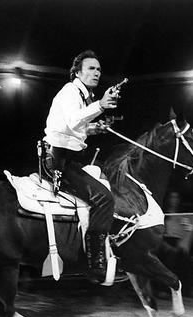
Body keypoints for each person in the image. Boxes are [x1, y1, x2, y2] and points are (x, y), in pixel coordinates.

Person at [42, 50, 120, 283]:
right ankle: (96, 263)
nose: (97, 73)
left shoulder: (82, 95)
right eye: (91, 69)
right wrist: (101, 105)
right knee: (104, 198)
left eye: (98, 69)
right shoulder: (70, 91)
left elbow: (72, 126)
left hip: (69, 158)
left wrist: (92, 129)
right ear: (77, 72)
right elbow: (72, 120)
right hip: (58, 161)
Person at [157, 191, 193, 298]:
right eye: (172, 197)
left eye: (176, 198)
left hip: (179, 242)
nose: (174, 200)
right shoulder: (162, 213)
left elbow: (188, 229)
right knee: (169, 259)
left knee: (185, 258)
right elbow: (158, 232)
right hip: (164, 242)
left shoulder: (182, 214)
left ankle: (187, 290)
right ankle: (164, 290)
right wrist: (167, 246)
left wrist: (183, 244)